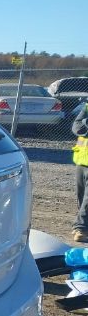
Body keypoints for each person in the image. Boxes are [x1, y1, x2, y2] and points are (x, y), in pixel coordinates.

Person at [72, 101, 88, 243]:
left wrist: (85, 123)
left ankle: (81, 228)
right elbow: (77, 127)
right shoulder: (87, 106)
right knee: (81, 196)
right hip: (81, 160)